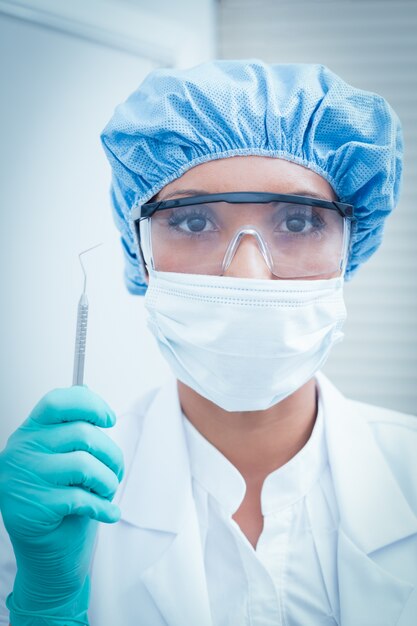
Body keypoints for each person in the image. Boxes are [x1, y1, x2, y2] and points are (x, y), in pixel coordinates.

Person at [0, 59, 416, 626]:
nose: (247, 277)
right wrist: (46, 602)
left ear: (350, 247)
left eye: (297, 222)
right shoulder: (51, 511)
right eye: (194, 222)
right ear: (141, 252)